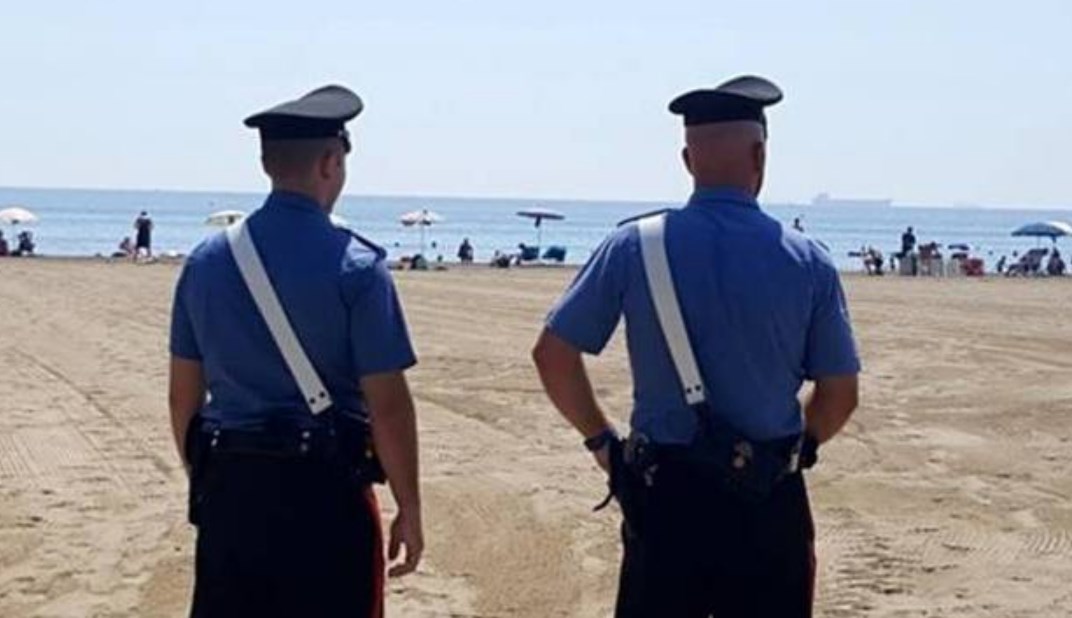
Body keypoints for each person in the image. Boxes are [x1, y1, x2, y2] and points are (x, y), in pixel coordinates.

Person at [532, 75, 860, 617]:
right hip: (767, 499)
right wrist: (795, 448)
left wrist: (602, 444)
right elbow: (840, 394)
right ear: (760, 155)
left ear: (688, 160)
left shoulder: (633, 246)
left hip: (665, 497)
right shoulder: (808, 261)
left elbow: (553, 355)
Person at [168, 84, 423, 617]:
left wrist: (208, 478)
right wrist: (409, 503)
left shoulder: (206, 262)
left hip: (233, 489)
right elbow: (389, 405)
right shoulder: (357, 265)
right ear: (331, 163)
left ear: (267, 163)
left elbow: (183, 397)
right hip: (325, 492)